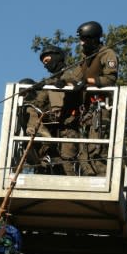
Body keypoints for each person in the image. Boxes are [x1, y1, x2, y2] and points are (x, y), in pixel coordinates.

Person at [75, 21, 119, 176]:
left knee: (96, 149)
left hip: (100, 109)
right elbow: (76, 76)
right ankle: (89, 179)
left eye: (84, 39)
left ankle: (102, 178)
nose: (81, 43)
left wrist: (88, 82)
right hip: (87, 110)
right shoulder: (86, 57)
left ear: (93, 39)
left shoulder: (107, 54)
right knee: (83, 152)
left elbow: (110, 79)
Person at [39, 45, 83, 176]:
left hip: (72, 125)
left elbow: (78, 83)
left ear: (56, 57)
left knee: (68, 160)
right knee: (54, 161)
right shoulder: (50, 81)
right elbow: (39, 101)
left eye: (47, 61)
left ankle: (73, 189)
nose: (46, 65)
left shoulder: (73, 72)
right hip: (56, 128)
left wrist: (64, 83)